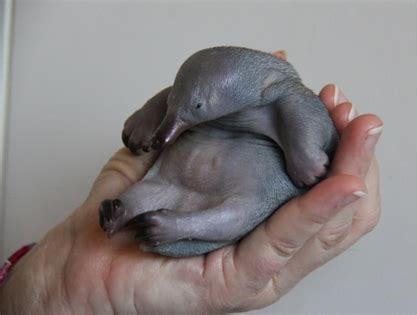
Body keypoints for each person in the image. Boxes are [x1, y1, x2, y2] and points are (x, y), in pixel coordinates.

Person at [0, 83, 382, 314]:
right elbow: (178, 97)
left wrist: (304, 154)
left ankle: (176, 225)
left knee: (234, 212)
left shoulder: (280, 88)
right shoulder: (211, 90)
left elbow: (300, 125)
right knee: (157, 188)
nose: (171, 129)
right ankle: (129, 212)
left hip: (251, 181)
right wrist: (56, 289)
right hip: (186, 164)